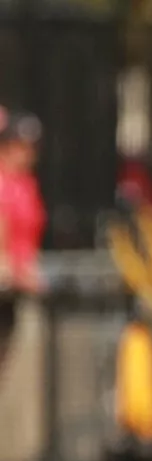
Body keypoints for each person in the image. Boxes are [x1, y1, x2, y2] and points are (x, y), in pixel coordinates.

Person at [0, 107, 45, 367]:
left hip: (18, 289)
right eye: (20, 145)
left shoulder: (26, 183)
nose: (27, 153)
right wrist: (8, 267)